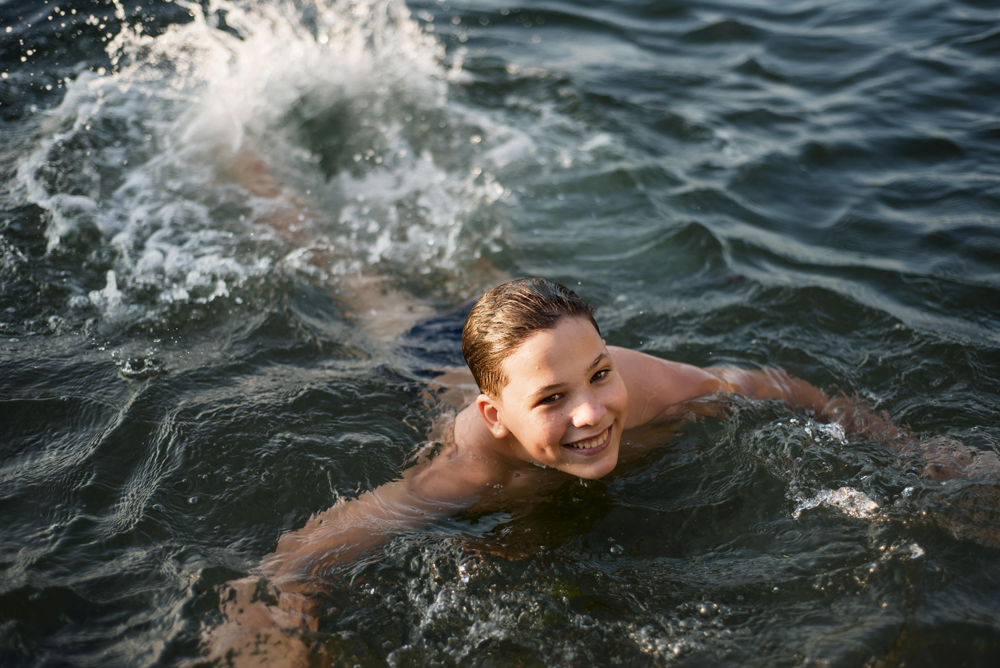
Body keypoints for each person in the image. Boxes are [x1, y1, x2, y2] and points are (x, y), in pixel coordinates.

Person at [205, 276, 871, 665]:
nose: (591, 416)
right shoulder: (471, 472)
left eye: (600, 376)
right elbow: (301, 556)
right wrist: (282, 634)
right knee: (373, 296)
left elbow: (773, 388)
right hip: (426, 365)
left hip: (529, 347)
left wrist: (910, 448)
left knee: (505, 296)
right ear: (495, 416)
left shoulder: (653, 391)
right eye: (555, 402)